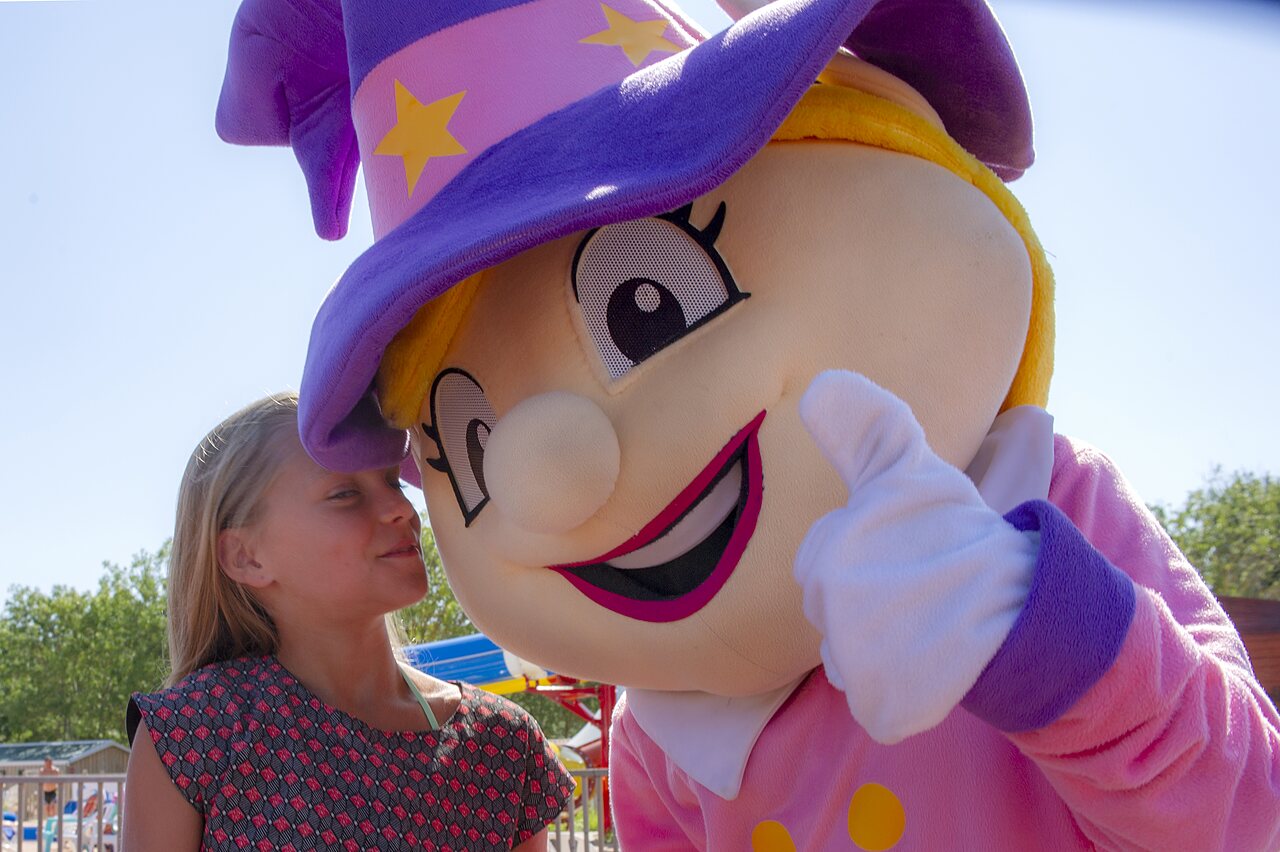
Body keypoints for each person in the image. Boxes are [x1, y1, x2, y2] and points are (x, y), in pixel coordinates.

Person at [122, 393, 572, 850]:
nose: (402, 508)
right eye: (344, 494)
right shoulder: (192, 734)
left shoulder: (505, 743)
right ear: (246, 556)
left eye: (393, 481)